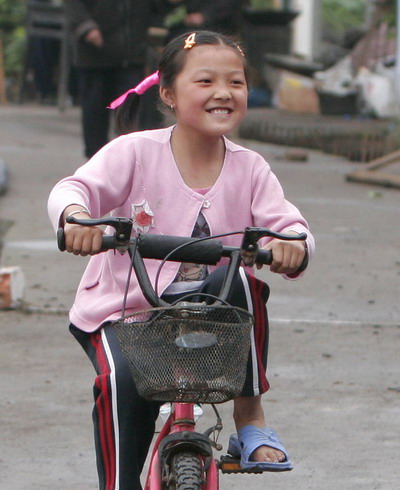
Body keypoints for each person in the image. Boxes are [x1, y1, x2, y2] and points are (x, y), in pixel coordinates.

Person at [48, 31, 315, 489]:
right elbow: (74, 189)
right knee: (120, 385)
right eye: (206, 80)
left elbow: (288, 224)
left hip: (211, 310)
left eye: (236, 82)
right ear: (168, 94)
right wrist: (78, 221)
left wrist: (293, 245)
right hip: (124, 311)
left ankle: (250, 420)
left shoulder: (250, 168)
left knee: (245, 286)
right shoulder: (134, 152)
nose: (223, 92)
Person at [64, 0, 181, 159]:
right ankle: (95, 160)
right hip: (94, 55)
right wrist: (86, 27)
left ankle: (129, 159)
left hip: (132, 54)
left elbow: (158, 8)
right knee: (94, 110)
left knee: (129, 110)